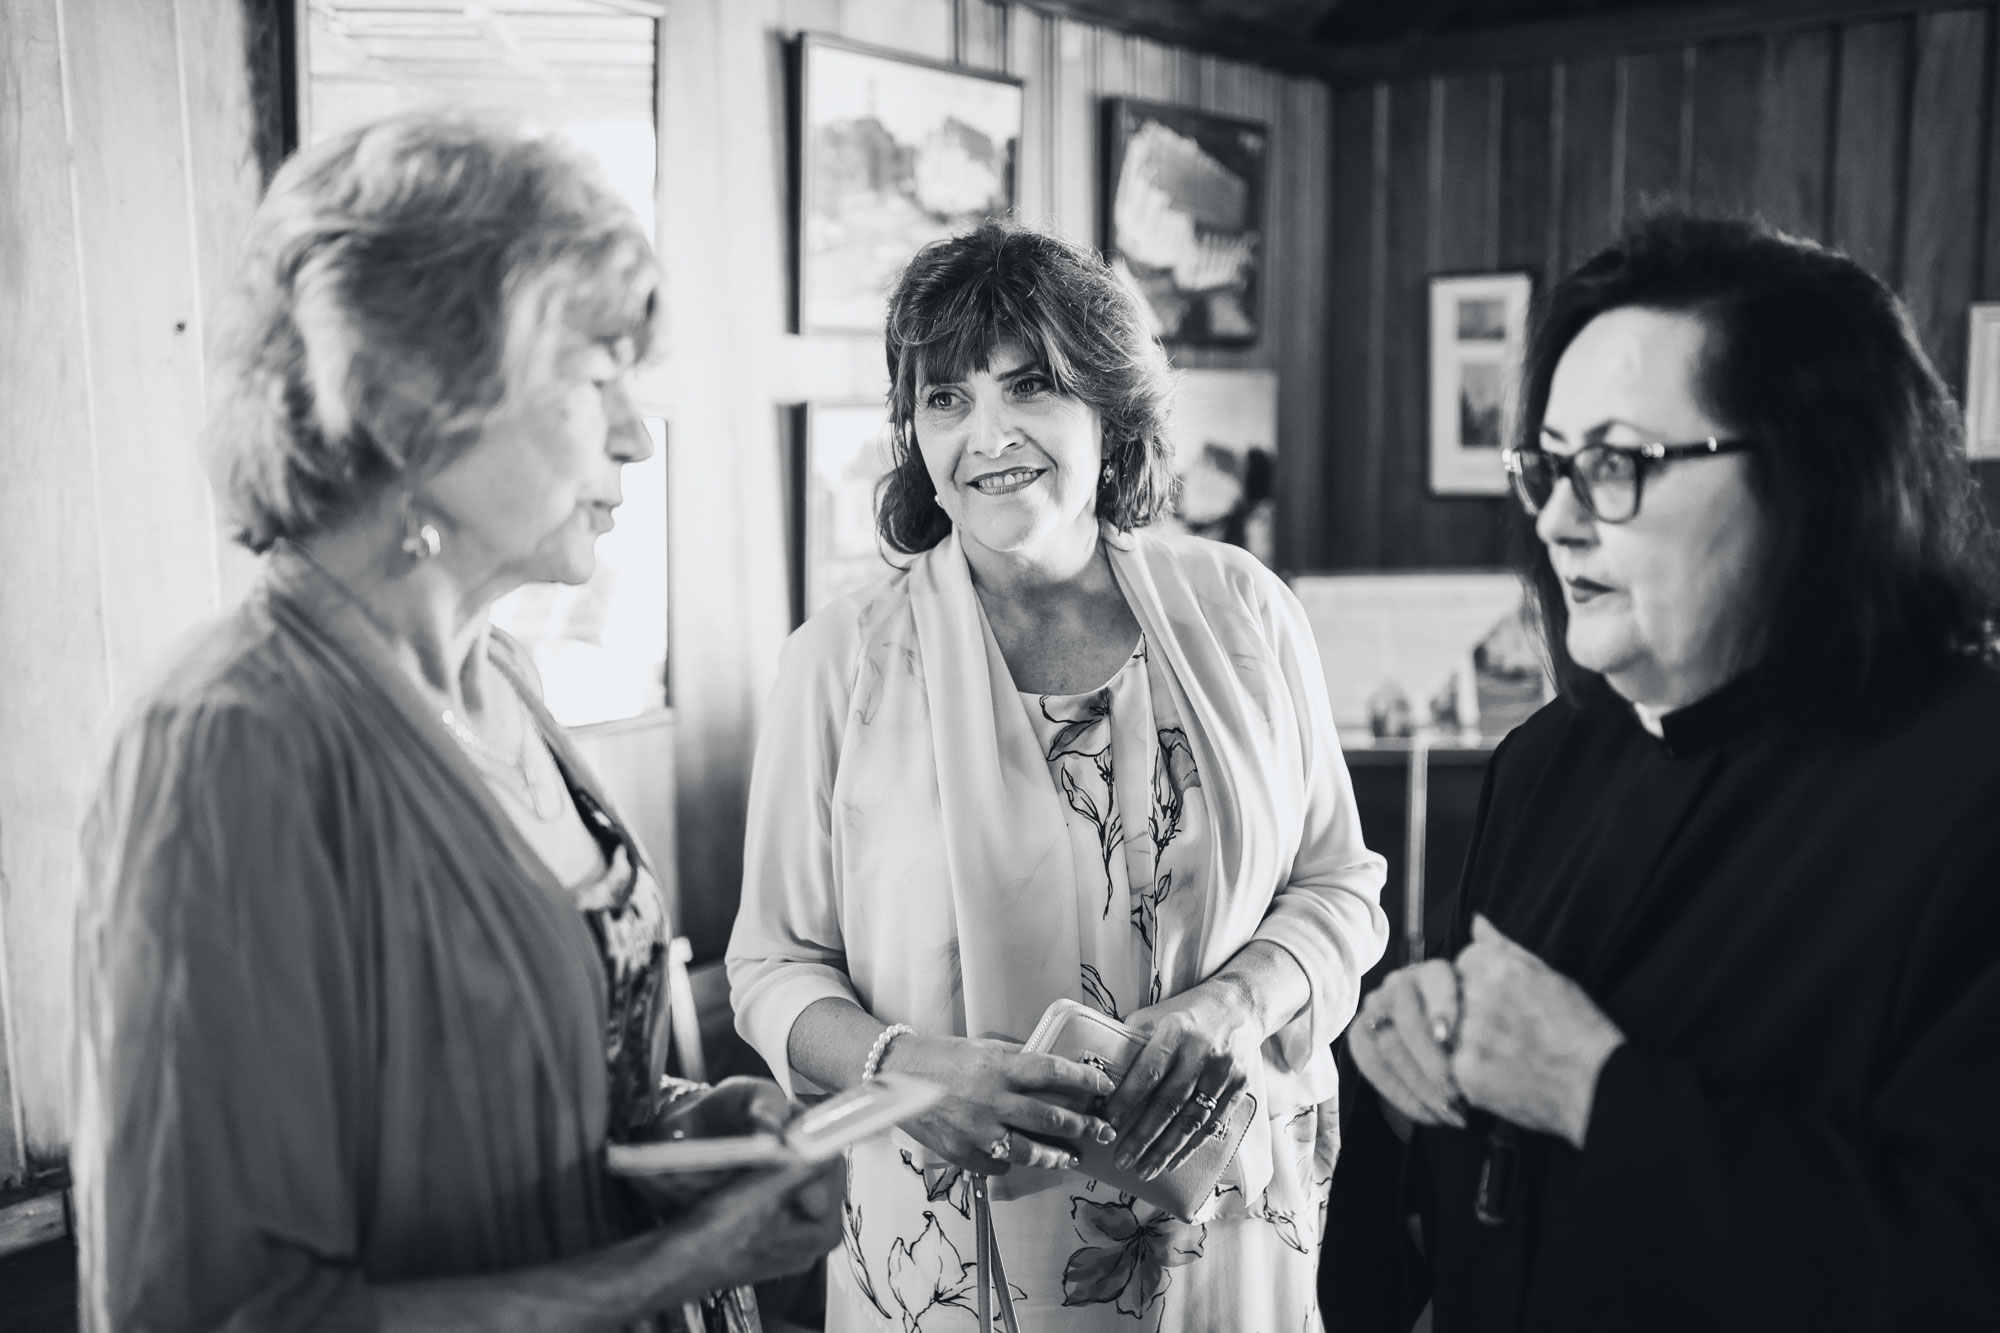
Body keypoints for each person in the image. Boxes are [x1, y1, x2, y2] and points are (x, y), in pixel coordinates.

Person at [71, 110, 843, 1332]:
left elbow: (556, 1107)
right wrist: (679, 1268)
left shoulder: (506, 678)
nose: (638, 433)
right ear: (416, 398)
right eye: (595, 378)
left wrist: (696, 1135)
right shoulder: (229, 745)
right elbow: (218, 1310)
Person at [727, 220, 1389, 1332]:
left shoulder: (1243, 611)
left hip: (1224, 1242)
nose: (985, 435)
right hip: (951, 1257)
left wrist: (1232, 1006)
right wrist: (904, 1065)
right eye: (945, 399)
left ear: (1108, 407)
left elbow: (1338, 889)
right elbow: (769, 966)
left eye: (1028, 386)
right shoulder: (838, 661)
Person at [1342, 213, 2000, 1330]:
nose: (1555, 520)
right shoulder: (1544, 762)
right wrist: (1407, 1058)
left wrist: (1596, 1092)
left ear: (1810, 471)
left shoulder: (1966, 789)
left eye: (1614, 465)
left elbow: (1956, 1264)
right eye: (1547, 465)